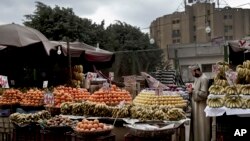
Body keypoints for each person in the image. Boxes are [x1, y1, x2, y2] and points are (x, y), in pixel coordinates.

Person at [187, 64, 211, 141]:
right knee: (198, 127)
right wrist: (192, 89)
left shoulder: (203, 79)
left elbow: (204, 94)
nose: (192, 74)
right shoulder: (198, 78)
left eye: (192, 72)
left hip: (202, 108)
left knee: (202, 127)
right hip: (197, 107)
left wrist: (193, 91)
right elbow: (197, 89)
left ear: (196, 71)